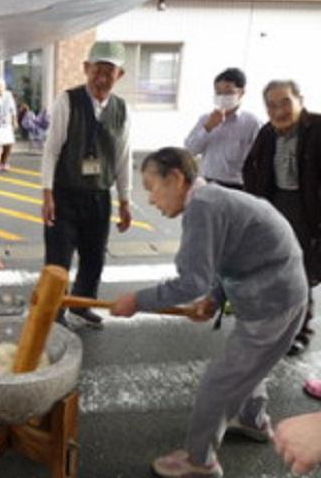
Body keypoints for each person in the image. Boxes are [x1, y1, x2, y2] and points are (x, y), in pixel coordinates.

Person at [111, 147, 308, 478]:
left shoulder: (202, 207)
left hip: (271, 301)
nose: (151, 200)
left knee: (218, 384)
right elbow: (229, 253)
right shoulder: (212, 199)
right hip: (283, 293)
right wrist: (215, 298)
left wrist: (137, 301)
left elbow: (191, 281)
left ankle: (200, 460)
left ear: (175, 178)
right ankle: (252, 419)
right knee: (251, 365)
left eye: (151, 187)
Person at [41, 40, 132, 328]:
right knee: (59, 258)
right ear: (86, 69)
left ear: (120, 75)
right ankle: (55, 311)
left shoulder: (122, 109)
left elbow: (123, 157)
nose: (102, 78)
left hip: (99, 195)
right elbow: (51, 150)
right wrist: (47, 194)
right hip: (64, 193)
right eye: (97, 70)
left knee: (94, 256)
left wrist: (125, 201)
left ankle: (82, 303)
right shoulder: (66, 101)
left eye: (110, 72)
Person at [243, 79, 321, 356]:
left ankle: (301, 332)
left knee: (300, 274)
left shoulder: (317, 128)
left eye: (285, 101)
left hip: (308, 208)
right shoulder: (267, 133)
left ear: (300, 99)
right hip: (275, 206)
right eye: (272, 105)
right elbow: (250, 169)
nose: (279, 110)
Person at [184, 67, 262, 189]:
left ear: (241, 93)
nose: (222, 97)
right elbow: (190, 150)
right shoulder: (206, 119)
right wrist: (208, 127)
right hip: (207, 182)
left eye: (228, 92)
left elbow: (260, 158)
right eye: (218, 93)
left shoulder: (252, 123)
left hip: (238, 185)